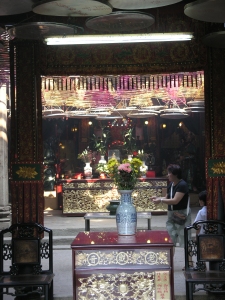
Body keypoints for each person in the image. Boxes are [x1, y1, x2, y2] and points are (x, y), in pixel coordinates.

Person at [151, 164, 191, 249]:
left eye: (169, 173)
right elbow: (167, 198)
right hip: (171, 215)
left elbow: (175, 201)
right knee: (170, 241)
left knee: (185, 241)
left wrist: (160, 200)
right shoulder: (171, 185)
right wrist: (158, 198)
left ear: (175, 174)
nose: (167, 175)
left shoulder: (182, 185)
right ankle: (171, 261)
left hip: (181, 215)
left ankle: (189, 262)